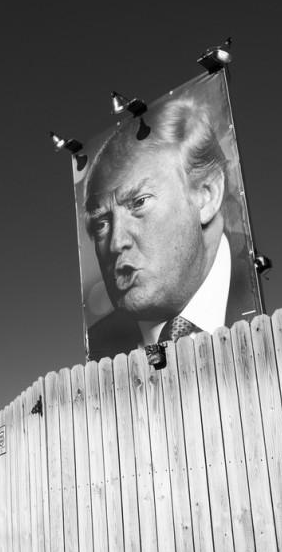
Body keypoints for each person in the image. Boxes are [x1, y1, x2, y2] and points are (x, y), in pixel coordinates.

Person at [82, 96, 256, 362]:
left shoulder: (275, 287)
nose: (116, 243)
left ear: (207, 195)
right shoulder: (97, 350)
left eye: (138, 203)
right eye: (102, 223)